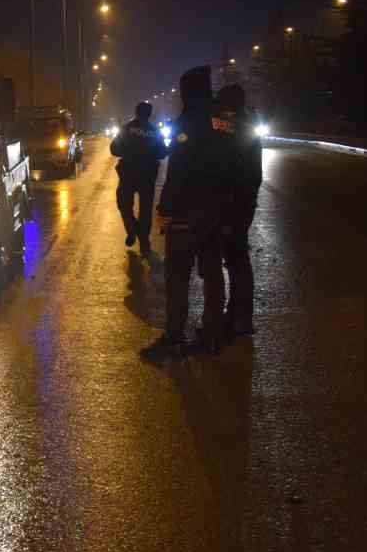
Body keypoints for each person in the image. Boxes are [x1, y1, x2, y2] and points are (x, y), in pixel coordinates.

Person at [142, 66, 236, 361]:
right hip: (218, 209)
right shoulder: (223, 121)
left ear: (188, 91)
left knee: (178, 275)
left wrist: (166, 208)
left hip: (187, 212)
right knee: (212, 273)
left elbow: (179, 171)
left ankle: (174, 338)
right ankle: (211, 335)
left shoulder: (188, 123)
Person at [215, 83, 264, 338]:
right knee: (236, 259)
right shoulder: (246, 125)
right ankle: (236, 315)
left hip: (235, 203)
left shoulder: (235, 128)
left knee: (236, 260)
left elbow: (234, 170)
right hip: (243, 202)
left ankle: (240, 318)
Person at [109, 101, 168, 255]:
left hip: (128, 174)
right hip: (147, 176)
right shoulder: (155, 131)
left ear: (136, 113)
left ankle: (131, 230)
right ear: (149, 114)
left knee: (124, 204)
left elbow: (114, 149)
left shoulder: (127, 128)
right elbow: (162, 152)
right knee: (146, 209)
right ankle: (144, 241)